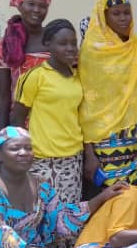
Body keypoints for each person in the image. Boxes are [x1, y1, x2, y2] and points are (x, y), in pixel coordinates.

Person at [78, 0, 137, 189]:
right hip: (101, 138)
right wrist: (89, 152)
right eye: (116, 13)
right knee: (107, 195)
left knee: (132, 194)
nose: (123, 18)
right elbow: (85, 102)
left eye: (127, 13)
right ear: (104, 16)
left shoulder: (135, 44)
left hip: (133, 135)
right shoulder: (92, 50)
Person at [11, 19, 85, 205]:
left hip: (72, 158)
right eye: (63, 43)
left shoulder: (77, 77)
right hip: (42, 159)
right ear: (47, 44)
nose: (70, 48)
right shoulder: (35, 76)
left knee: (68, 215)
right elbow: (17, 119)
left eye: (73, 43)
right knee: (41, 214)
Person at [0, 0, 51, 129]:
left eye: (43, 6)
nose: (37, 10)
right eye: (31, 4)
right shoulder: (6, 45)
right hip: (20, 125)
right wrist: (2, 134)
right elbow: (3, 96)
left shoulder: (54, 40)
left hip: (54, 122)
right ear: (19, 5)